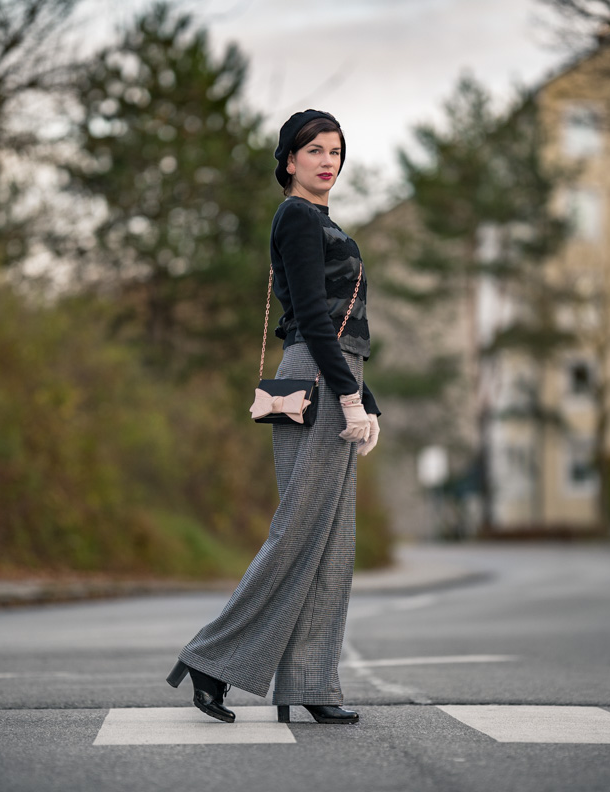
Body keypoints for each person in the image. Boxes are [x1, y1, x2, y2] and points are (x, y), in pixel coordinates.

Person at [166, 109, 380, 726]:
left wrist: (367, 400)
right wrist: (345, 397)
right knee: (298, 532)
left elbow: (345, 326)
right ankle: (211, 658)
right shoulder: (296, 216)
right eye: (314, 150)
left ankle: (312, 681)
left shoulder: (323, 221)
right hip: (317, 377)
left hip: (334, 374)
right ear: (289, 161)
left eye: (336, 151)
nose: (327, 160)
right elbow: (313, 318)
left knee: (333, 543)